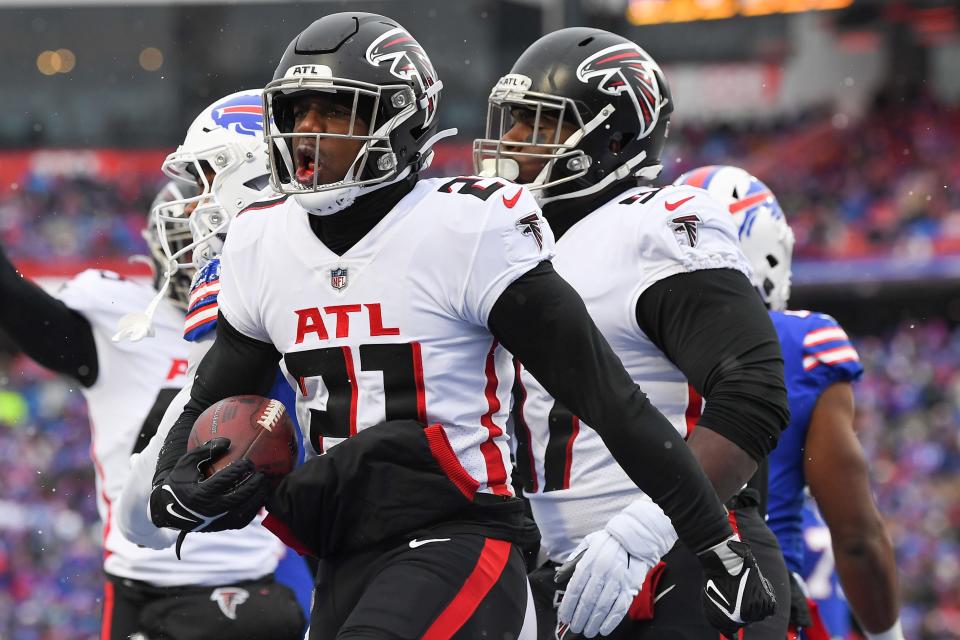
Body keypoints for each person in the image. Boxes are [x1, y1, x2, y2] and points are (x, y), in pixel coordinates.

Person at [141, 12, 775, 640]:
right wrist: (174, 481)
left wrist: (702, 538)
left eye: (333, 112)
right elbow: (214, 393)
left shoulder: (482, 228)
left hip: (480, 536)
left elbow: (620, 398)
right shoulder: (260, 237)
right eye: (297, 113)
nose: (307, 134)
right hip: (389, 549)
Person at [473, 27, 792, 639]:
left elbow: (753, 394)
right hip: (551, 574)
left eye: (539, 125)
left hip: (680, 561)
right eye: (511, 121)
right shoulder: (503, 245)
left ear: (612, 140)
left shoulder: (655, 226)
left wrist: (645, 530)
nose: (510, 143)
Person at [0, 185, 304, 638]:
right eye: (190, 239)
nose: (199, 254)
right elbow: (18, 307)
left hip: (259, 575)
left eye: (212, 237)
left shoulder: (276, 319)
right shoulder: (123, 319)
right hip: (144, 583)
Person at [674, 165, 903, 640]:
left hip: (627, 593)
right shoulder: (802, 342)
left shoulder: (617, 334)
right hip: (750, 600)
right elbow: (857, 533)